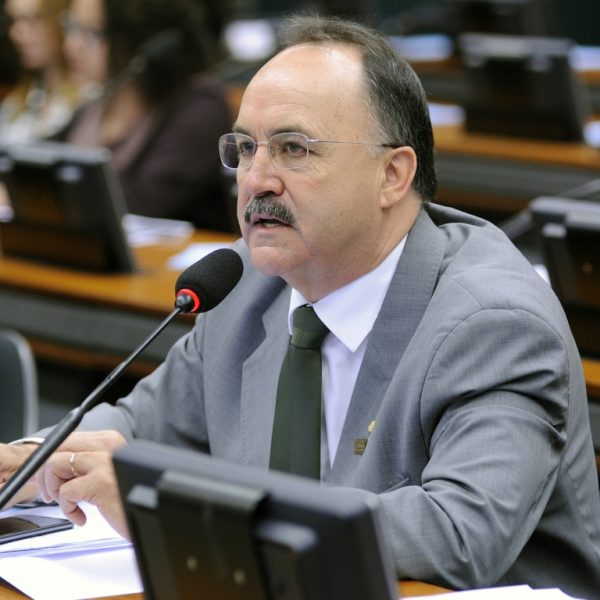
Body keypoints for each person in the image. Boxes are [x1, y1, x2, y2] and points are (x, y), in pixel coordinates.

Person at [2, 15, 600, 597]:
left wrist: (168, 499)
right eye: (245, 148)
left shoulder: (493, 322)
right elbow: (139, 425)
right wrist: (28, 462)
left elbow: (458, 533)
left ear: (393, 174)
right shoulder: (246, 284)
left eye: (293, 149)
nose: (256, 178)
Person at [52, 0, 234, 230]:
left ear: (145, 42)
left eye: (91, 33)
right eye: (71, 27)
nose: (71, 45)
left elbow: (141, 203)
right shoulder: (99, 103)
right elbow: (36, 157)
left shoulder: (201, 109)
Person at [0, 0, 82, 143]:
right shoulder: (18, 100)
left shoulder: (88, 99)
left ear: (61, 22)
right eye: (13, 20)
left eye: (33, 19)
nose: (16, 33)